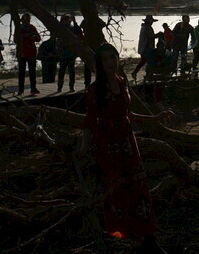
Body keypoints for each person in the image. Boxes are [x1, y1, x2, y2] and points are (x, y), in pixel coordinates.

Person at [81, 44, 171, 252]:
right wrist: (84, 147)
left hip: (128, 144)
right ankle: (135, 239)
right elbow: (89, 120)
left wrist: (155, 118)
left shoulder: (122, 83)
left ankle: (149, 240)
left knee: (140, 190)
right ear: (100, 64)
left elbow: (128, 115)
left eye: (113, 57)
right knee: (119, 192)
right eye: (105, 59)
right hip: (109, 147)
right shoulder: (95, 90)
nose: (110, 62)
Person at [14, 13, 41, 96]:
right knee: (21, 72)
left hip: (31, 52)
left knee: (32, 72)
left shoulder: (32, 27)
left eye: (28, 20)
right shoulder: (19, 28)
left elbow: (38, 38)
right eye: (26, 19)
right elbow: (15, 40)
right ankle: (20, 90)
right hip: (22, 53)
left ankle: (33, 88)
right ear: (23, 19)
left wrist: (34, 37)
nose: (27, 21)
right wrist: (25, 36)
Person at [132, 15, 157, 80]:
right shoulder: (147, 28)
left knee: (145, 61)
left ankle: (147, 74)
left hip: (143, 47)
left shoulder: (144, 27)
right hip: (146, 48)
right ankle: (147, 74)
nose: (152, 23)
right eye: (151, 21)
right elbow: (151, 37)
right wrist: (159, 34)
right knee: (149, 61)